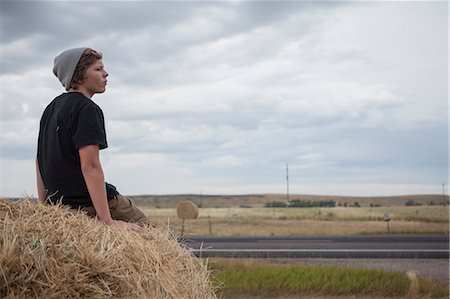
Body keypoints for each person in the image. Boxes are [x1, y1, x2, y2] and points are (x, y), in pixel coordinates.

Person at [36, 47, 148, 232]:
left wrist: (45, 208)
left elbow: (39, 160)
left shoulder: (50, 108)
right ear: (78, 76)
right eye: (98, 69)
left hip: (62, 205)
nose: (106, 73)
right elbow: (90, 167)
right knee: (150, 235)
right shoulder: (87, 108)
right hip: (87, 203)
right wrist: (109, 223)